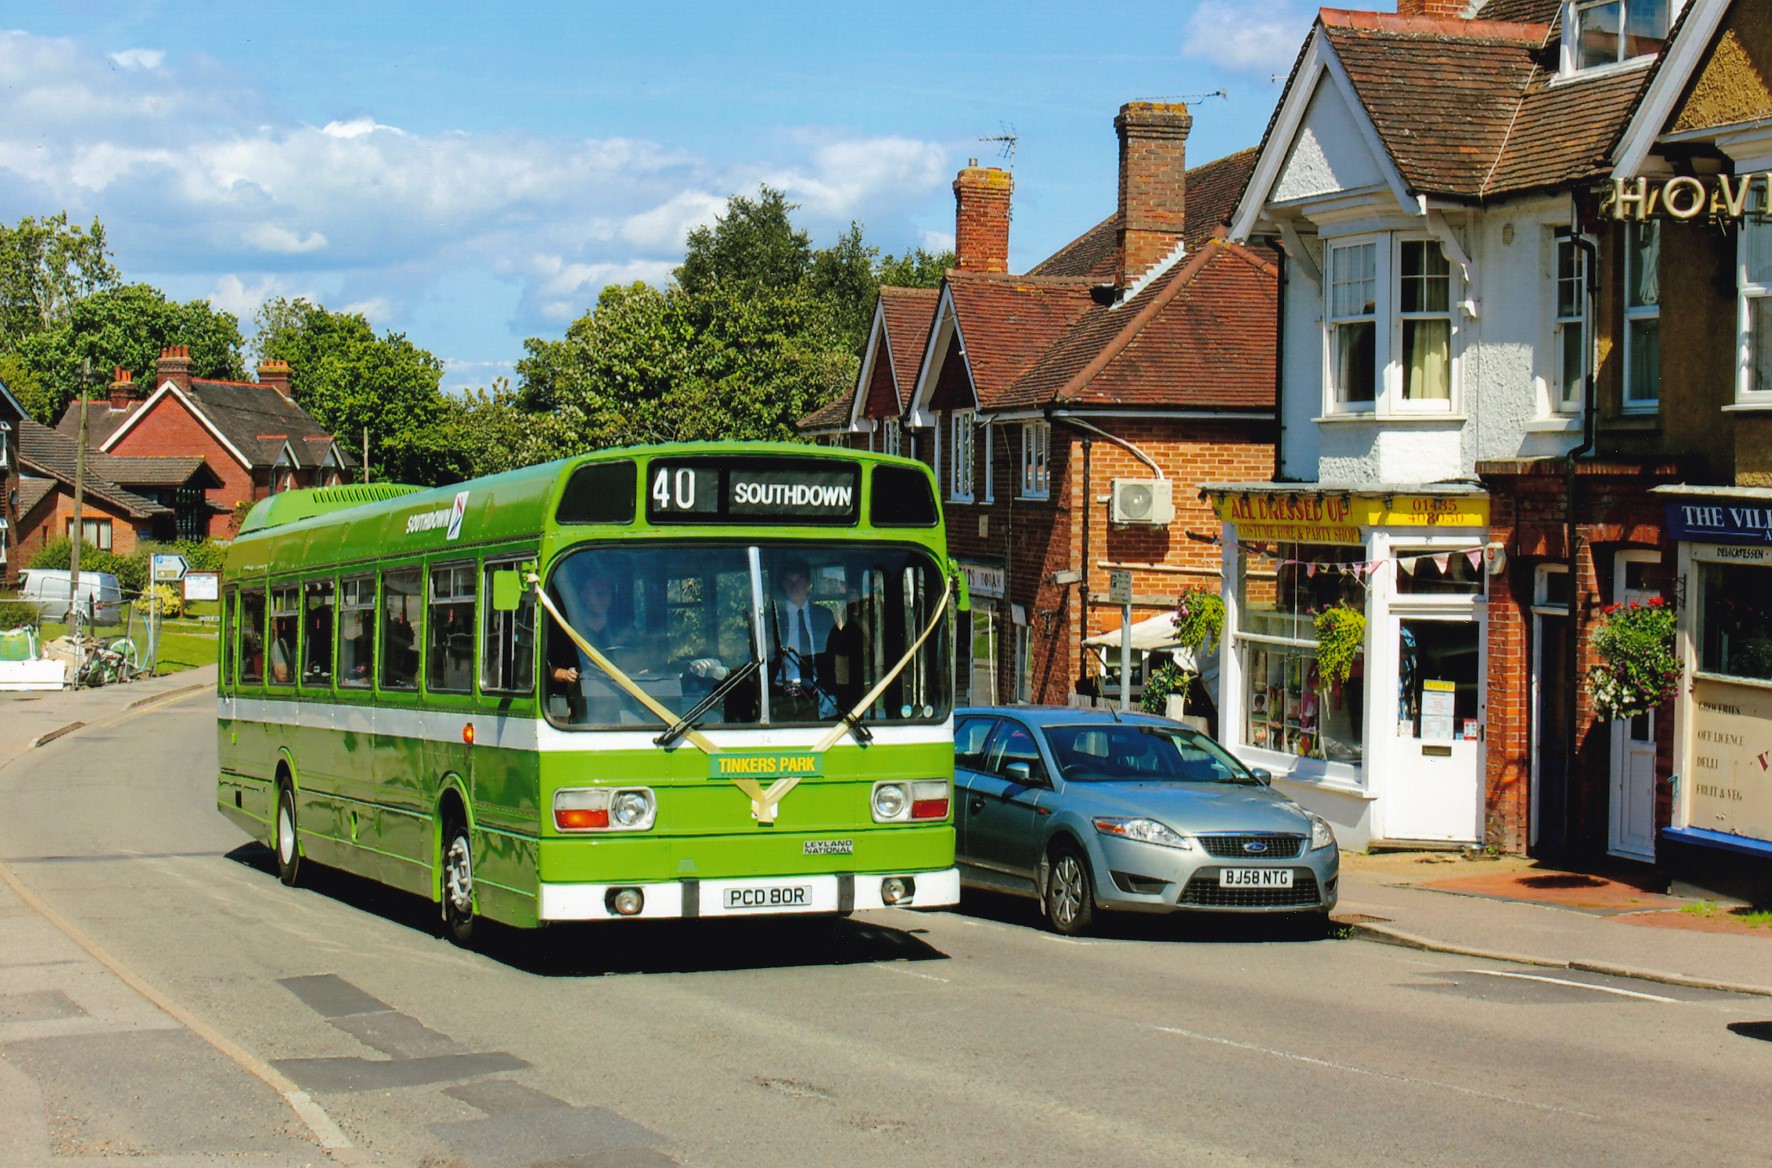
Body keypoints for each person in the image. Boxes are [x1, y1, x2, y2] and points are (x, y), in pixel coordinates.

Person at [770, 557, 835, 718]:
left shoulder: (825, 616)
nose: (794, 586)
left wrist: (833, 692)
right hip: (781, 698)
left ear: (808, 583)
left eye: (799, 580)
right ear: (783, 585)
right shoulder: (772, 619)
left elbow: (835, 657)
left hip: (818, 697)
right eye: (788, 581)